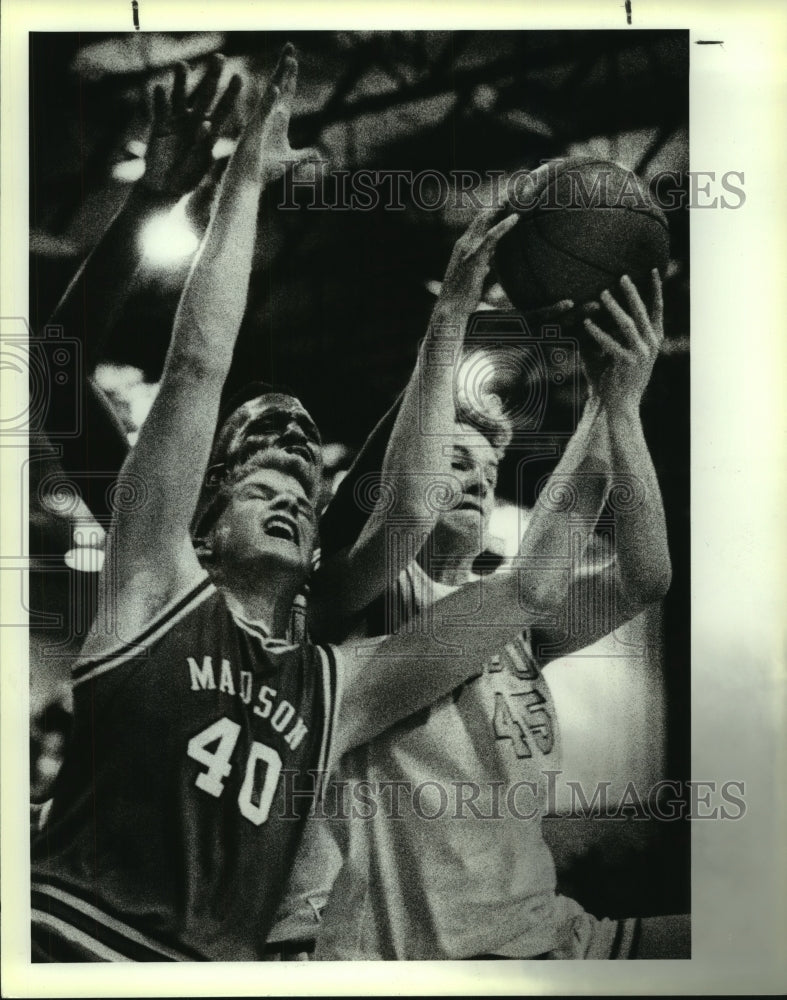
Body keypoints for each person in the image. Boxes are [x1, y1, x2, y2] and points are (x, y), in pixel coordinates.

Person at [28, 45, 537, 963]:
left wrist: (456, 318)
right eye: (260, 453)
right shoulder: (164, 564)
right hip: (72, 931)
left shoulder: (324, 648)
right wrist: (164, 199)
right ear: (208, 505)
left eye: (305, 466)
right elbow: (101, 364)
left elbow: (406, 499)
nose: (291, 457)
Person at [311, 269, 688, 960]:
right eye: (454, 461)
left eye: (487, 475)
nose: (475, 483)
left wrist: (619, 403)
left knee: (756, 934)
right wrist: (461, 318)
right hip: (444, 955)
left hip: (552, 931)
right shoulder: (354, 605)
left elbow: (644, 577)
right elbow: (409, 500)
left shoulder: (512, 624)